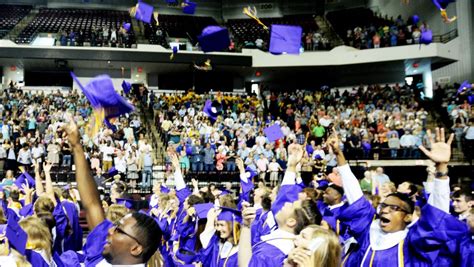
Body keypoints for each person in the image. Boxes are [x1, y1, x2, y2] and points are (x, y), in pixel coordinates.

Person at [327, 128, 467, 266]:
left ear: (407, 217)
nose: (385, 211)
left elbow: (436, 218)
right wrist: (339, 155)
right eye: (384, 206)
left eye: (394, 208)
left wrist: (441, 168)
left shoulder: (413, 243)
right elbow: (355, 196)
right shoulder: (369, 232)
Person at [63, 116, 162, 266]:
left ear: (135, 249)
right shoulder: (105, 253)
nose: (109, 231)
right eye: (115, 227)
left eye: (118, 230)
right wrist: (77, 147)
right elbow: (92, 204)